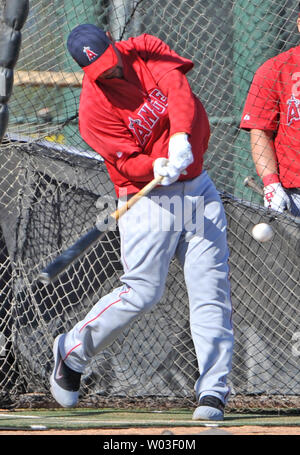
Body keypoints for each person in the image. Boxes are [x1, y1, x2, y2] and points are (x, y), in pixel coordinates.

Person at [49, 24, 234, 421]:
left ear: (114, 47)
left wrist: (181, 137)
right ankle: (73, 349)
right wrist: (155, 164)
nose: (110, 73)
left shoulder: (143, 50)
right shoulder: (93, 111)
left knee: (210, 287)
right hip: (147, 198)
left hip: (198, 186)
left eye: (109, 62)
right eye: (98, 71)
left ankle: (213, 391)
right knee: (143, 292)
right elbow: (126, 163)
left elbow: (178, 89)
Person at [240, 5, 300, 217]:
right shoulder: (275, 69)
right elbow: (260, 132)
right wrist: (271, 183)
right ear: (299, 23)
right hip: (295, 192)